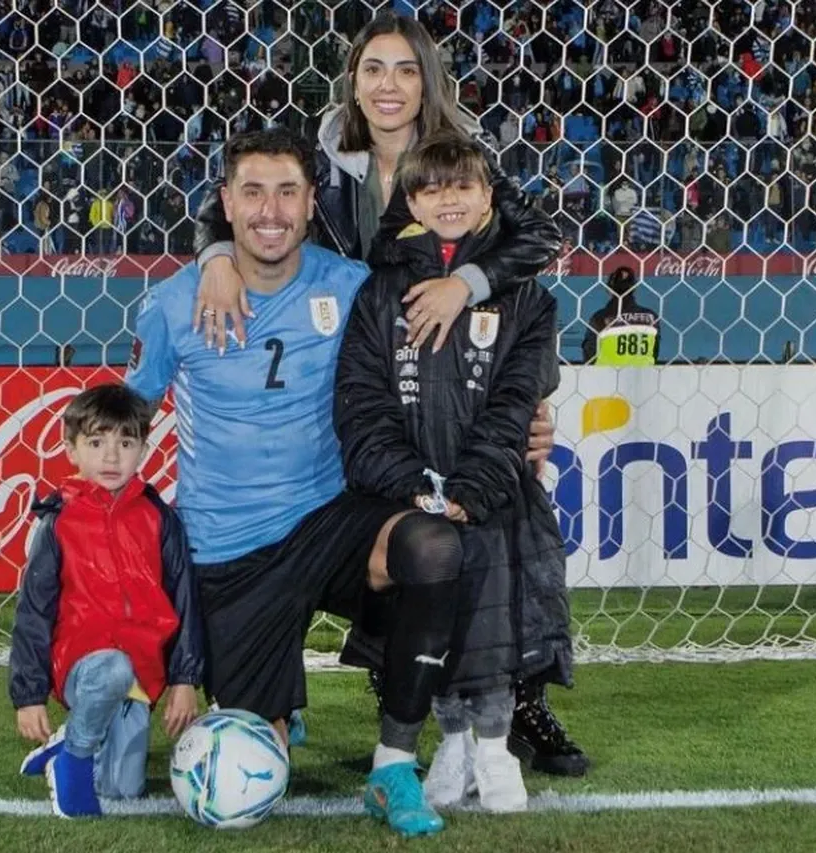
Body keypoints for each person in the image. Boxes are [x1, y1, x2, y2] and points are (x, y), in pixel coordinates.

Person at [190, 10, 583, 775]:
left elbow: (533, 240)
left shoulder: (463, 157)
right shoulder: (326, 158)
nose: (390, 85)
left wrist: (464, 284)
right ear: (354, 81)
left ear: (427, 80)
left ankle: (521, 703)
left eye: (406, 69)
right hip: (366, 372)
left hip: (461, 372)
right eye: (374, 69)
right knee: (387, 534)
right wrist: (212, 256)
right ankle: (392, 697)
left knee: (502, 526)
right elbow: (236, 206)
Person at [126, 127, 467, 837]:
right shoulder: (173, 302)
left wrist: (527, 408)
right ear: (225, 201)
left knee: (434, 548)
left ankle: (393, 766)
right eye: (252, 192)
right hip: (228, 551)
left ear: (313, 202)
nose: (270, 210)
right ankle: (278, 702)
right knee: (262, 756)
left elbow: (439, 361)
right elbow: (129, 416)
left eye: (288, 191)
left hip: (332, 517)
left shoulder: (350, 289)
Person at [334, 133, 572, 812]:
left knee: (493, 624)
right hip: (412, 496)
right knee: (431, 621)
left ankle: (495, 753)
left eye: (463, 186)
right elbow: (362, 402)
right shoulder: (379, 290)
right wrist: (411, 483)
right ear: (410, 200)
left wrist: (472, 487)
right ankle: (450, 744)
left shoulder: (527, 296)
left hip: (492, 493)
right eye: (433, 188)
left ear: (488, 196)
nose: (448, 198)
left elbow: (514, 402)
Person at [8, 384, 203, 818]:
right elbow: (33, 615)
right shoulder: (57, 522)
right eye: (96, 443)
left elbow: (184, 598)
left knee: (122, 789)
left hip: (142, 672)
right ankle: (73, 761)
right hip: (84, 664)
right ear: (71, 450)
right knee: (111, 668)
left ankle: (66, 743)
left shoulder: (159, 519)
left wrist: (184, 678)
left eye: (126, 443)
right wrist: (29, 695)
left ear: (143, 449)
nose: (112, 457)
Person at [582, 265, 661, 365]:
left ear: (609, 289)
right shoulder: (652, 317)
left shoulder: (599, 318)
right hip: (642, 377)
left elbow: (589, 354)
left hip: (605, 377)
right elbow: (655, 353)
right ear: (634, 288)